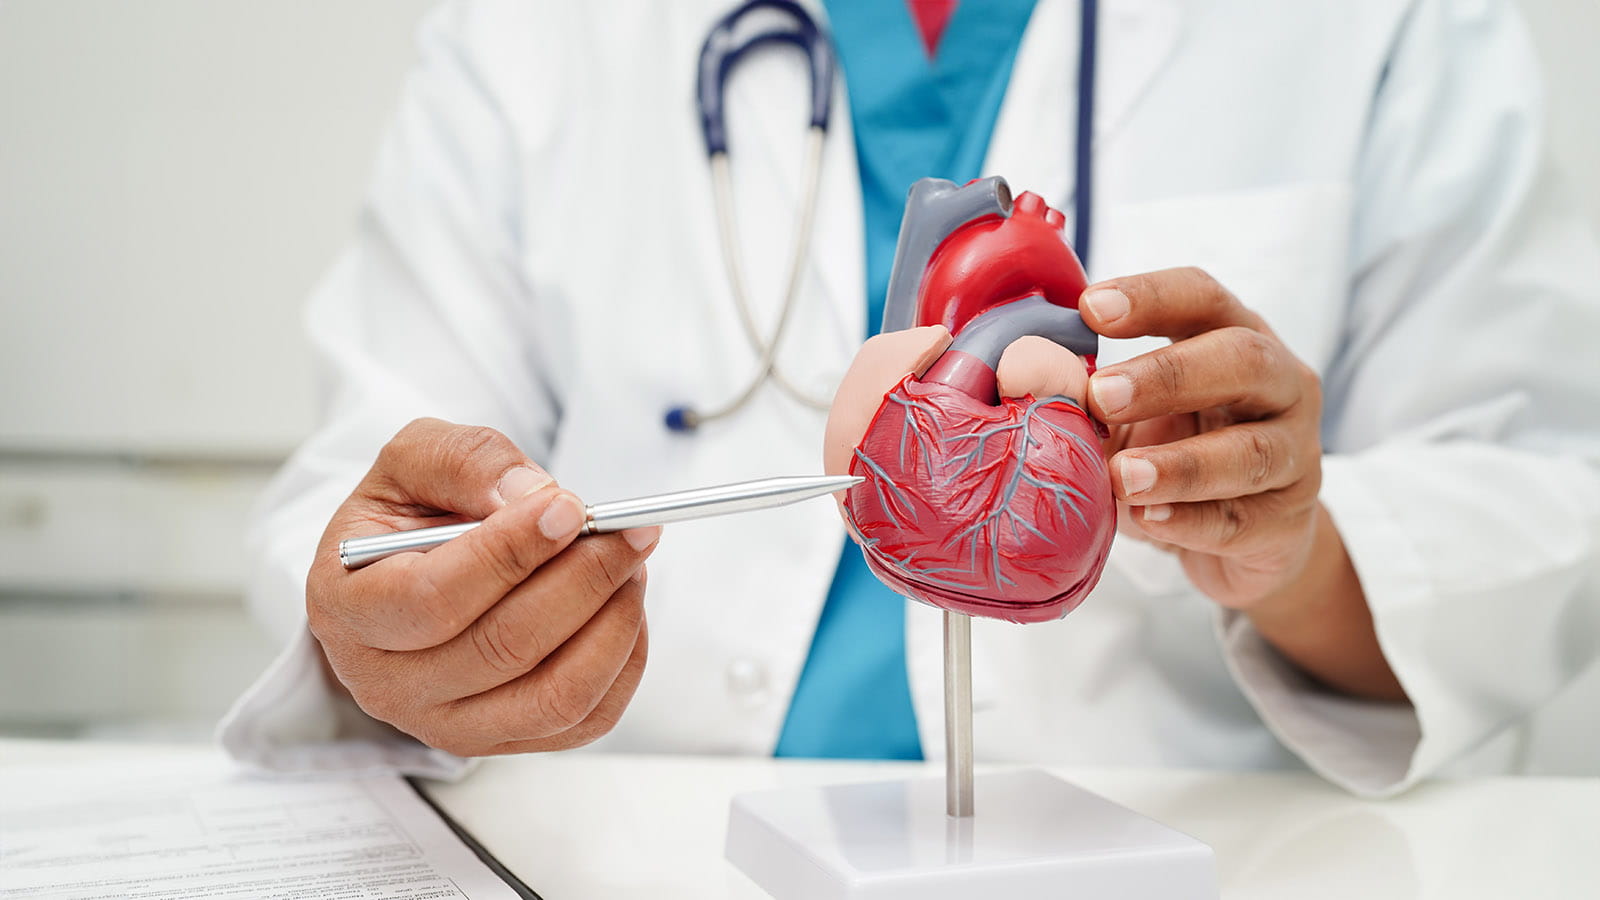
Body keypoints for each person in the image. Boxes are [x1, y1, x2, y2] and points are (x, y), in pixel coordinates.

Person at [220, 0, 1600, 798]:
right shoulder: (543, 30)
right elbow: (370, 493)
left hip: (1186, 844)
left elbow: (1538, 480)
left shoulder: (1381, 23)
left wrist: (1296, 557)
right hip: (635, 843)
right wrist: (411, 628)